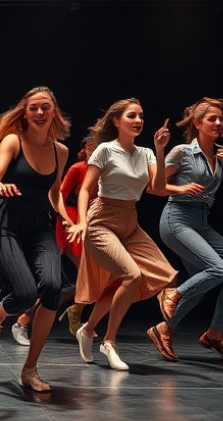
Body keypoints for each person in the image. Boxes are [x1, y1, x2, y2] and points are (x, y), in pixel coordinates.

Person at [67, 98, 177, 371]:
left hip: (130, 220)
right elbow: (85, 190)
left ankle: (88, 329)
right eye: (132, 116)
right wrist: (81, 221)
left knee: (157, 274)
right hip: (101, 219)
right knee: (133, 275)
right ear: (116, 121)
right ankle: (109, 342)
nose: (138, 120)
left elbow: (159, 189)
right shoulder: (105, 150)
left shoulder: (147, 153)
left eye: (141, 116)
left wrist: (161, 151)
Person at [0, 86, 71, 392]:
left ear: (54, 112)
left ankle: (30, 369)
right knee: (23, 294)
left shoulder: (61, 151)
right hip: (6, 221)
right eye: (34, 107)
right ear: (25, 112)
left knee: (53, 288)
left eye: (46, 107)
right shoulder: (13, 141)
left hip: (39, 224)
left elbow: (55, 192)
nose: (40, 113)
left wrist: (69, 218)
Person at [147, 97, 223, 362]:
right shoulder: (182, 152)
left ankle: (209, 333)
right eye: (211, 119)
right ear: (198, 123)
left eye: (220, 119)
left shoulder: (220, 155)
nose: (217, 123)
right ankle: (173, 293)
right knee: (217, 269)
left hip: (201, 223)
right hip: (177, 218)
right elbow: (154, 187)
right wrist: (160, 153)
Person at [54, 137, 96, 338]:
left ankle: (75, 309)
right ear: (85, 148)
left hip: (93, 223)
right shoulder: (78, 168)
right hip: (72, 221)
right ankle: (75, 313)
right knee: (87, 273)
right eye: (92, 146)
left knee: (94, 276)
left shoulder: (104, 170)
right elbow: (59, 195)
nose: (95, 150)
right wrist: (64, 220)